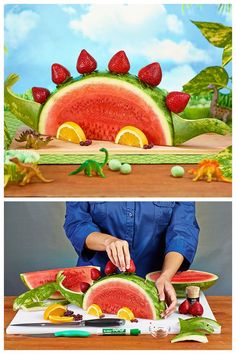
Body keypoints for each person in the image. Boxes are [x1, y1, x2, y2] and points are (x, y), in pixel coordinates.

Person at [64, 202, 199, 317]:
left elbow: (183, 231)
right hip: (93, 285)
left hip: (156, 289)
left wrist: (166, 276)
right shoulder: (87, 176)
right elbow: (76, 223)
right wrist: (107, 241)